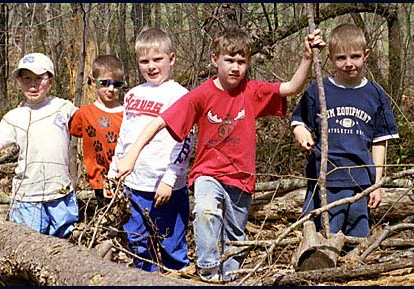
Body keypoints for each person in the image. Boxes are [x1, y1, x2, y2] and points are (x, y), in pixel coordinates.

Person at [115, 27, 325, 282]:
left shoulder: (252, 91)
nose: (235, 67)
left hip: (241, 176)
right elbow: (159, 121)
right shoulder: (201, 95)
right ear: (215, 60)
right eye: (229, 60)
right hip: (208, 173)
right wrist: (131, 155)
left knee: (235, 234)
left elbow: (291, 87)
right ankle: (208, 272)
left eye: (241, 62)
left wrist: (307, 57)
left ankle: (231, 276)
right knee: (205, 211)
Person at [291, 24, 399, 250]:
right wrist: (300, 131)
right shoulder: (319, 89)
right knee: (324, 237)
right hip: (325, 177)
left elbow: (380, 140)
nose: (349, 63)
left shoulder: (375, 94)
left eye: (355, 56)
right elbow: (299, 119)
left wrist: (377, 183)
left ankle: (353, 275)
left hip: (361, 179)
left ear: (366, 55)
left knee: (357, 238)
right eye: (341, 58)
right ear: (330, 59)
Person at [0, 52, 79, 238]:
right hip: (27, 196)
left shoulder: (63, 107)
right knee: (27, 244)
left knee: (64, 244)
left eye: (39, 78)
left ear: (50, 81)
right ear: (20, 82)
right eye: (27, 79)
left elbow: (87, 124)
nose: (33, 84)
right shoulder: (14, 117)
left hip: (60, 191)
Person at [107, 27, 194, 272]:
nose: (151, 66)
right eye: (144, 61)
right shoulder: (133, 94)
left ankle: (176, 277)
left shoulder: (180, 95)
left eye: (158, 59)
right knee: (138, 243)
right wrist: (115, 171)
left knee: (171, 245)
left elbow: (186, 140)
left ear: (172, 59)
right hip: (135, 184)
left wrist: (170, 178)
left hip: (165, 187)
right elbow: (125, 136)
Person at [69, 55, 125, 208]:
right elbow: (67, 128)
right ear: (94, 82)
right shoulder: (84, 114)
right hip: (99, 181)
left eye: (116, 84)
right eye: (105, 83)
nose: (111, 89)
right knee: (107, 219)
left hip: (125, 178)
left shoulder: (126, 114)